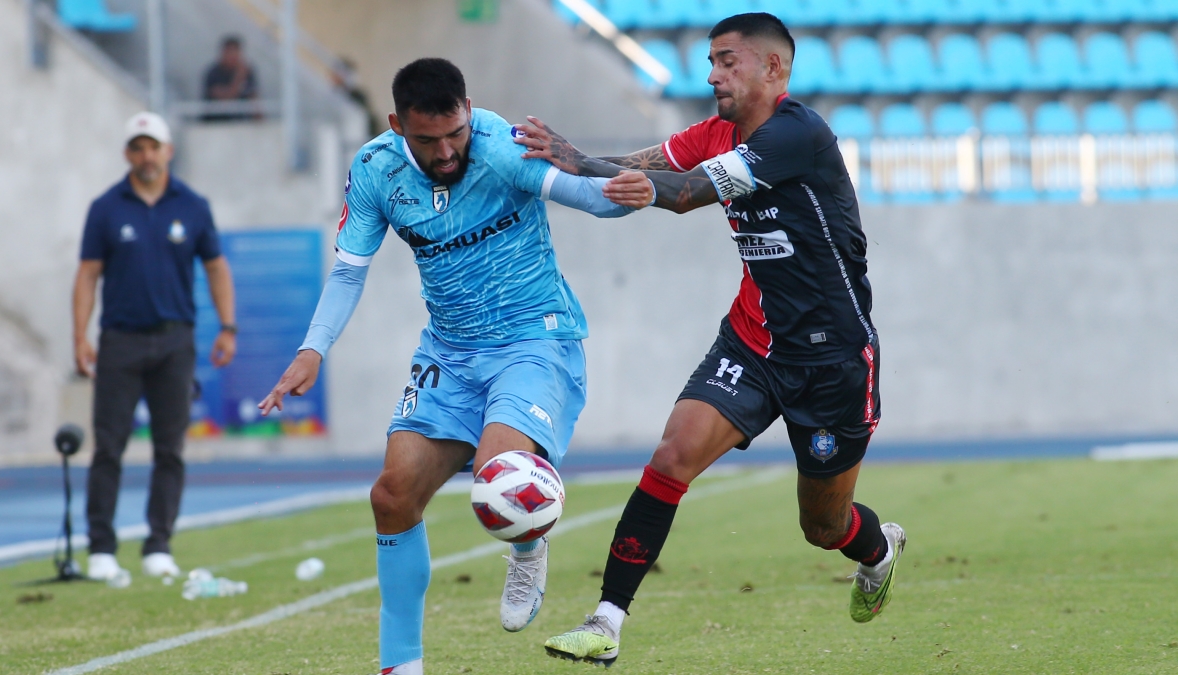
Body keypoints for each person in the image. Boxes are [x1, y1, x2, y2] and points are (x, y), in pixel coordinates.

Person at [516, 13, 906, 666]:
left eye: (728, 61)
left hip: (832, 360)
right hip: (752, 343)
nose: (712, 74)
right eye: (711, 61)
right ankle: (606, 620)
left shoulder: (798, 135)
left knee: (823, 526)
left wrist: (617, 175)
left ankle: (877, 550)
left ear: (773, 69)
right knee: (673, 455)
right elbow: (644, 167)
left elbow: (688, 191)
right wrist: (574, 159)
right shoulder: (714, 133)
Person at [257, 58, 653, 675]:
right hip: (450, 354)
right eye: (427, 139)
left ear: (469, 111)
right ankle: (401, 665)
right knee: (391, 496)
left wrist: (637, 188)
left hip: (533, 338)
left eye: (455, 133)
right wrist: (313, 349)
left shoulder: (499, 146)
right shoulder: (375, 169)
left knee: (499, 472)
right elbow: (347, 271)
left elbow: (596, 203)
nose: (446, 151)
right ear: (396, 125)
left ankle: (527, 543)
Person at [74, 111, 237, 581]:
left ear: (168, 151)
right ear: (128, 153)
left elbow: (216, 267)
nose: (147, 155)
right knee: (109, 446)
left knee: (170, 449)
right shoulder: (106, 207)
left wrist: (228, 327)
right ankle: (101, 548)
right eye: (138, 147)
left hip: (174, 340)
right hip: (120, 339)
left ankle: (158, 545)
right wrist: (79, 335)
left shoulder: (193, 204)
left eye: (154, 146)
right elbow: (87, 274)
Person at [202, 35, 258, 120]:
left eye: (235, 51)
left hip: (242, 123)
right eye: (229, 52)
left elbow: (253, 99)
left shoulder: (248, 72)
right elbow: (225, 100)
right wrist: (238, 78)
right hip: (216, 124)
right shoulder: (213, 73)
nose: (233, 56)